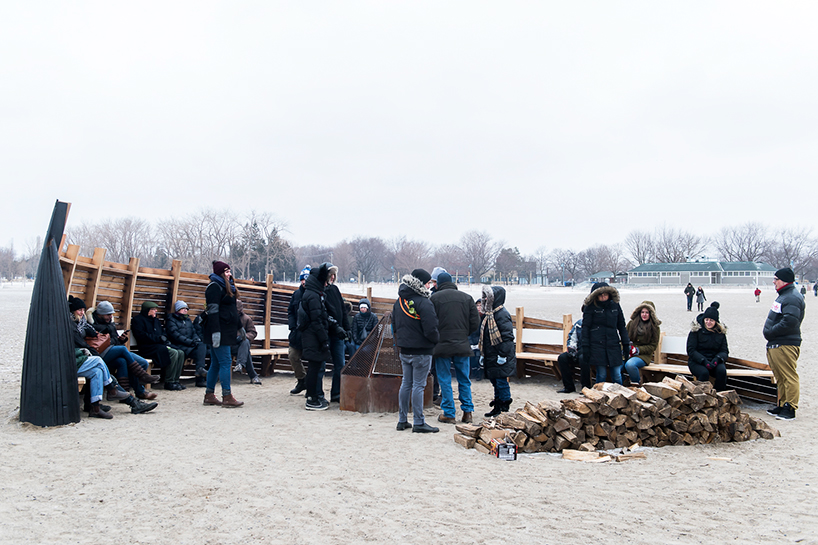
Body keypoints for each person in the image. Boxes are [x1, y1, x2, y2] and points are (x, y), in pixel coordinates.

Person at [69, 296, 158, 416]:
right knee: (106, 360)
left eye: (83, 310)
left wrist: (120, 339)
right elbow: (84, 342)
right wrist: (103, 334)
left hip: (94, 354)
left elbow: (99, 337)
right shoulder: (74, 325)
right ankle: (125, 394)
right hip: (86, 356)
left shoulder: (82, 323)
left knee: (119, 362)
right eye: (79, 310)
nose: (82, 313)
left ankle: (96, 406)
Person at [392, 268, 440, 433]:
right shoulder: (424, 302)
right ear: (421, 283)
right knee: (419, 385)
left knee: (406, 383)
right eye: (427, 283)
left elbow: (395, 325)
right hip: (422, 350)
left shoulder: (399, 301)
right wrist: (435, 341)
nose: (429, 286)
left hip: (404, 348)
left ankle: (402, 420)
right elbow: (431, 327)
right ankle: (419, 422)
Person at [430, 271, 479, 424]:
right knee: (464, 379)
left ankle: (449, 413)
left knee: (444, 379)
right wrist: (464, 334)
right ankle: (467, 412)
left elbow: (430, 322)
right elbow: (475, 322)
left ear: (439, 283)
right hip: (462, 344)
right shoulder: (467, 298)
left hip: (442, 345)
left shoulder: (434, 299)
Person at [91, 300, 159, 400]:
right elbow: (102, 343)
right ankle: (141, 384)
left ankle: (126, 394)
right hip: (100, 354)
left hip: (114, 352)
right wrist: (115, 340)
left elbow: (113, 341)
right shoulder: (92, 325)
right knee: (123, 350)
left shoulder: (110, 324)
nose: (110, 317)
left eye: (111, 315)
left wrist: (121, 339)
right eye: (108, 315)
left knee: (137, 362)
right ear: (100, 314)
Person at [298, 263, 342, 411]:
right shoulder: (313, 296)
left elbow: (323, 316)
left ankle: (315, 397)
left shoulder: (315, 294)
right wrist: (324, 340)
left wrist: (335, 326)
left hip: (313, 336)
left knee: (315, 368)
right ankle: (312, 398)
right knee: (314, 369)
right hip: (313, 338)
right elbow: (317, 320)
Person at [763, 267, 805, 421]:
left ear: (784, 280)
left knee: (789, 376)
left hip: (785, 343)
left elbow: (790, 321)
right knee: (780, 377)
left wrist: (772, 331)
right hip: (776, 342)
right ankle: (782, 403)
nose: (774, 282)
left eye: (776, 279)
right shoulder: (784, 296)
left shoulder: (792, 297)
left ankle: (790, 407)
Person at [202, 260, 244, 407]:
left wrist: (240, 327)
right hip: (220, 331)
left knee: (215, 363)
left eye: (229, 271)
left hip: (226, 330)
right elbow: (213, 312)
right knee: (225, 362)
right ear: (220, 273)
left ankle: (209, 395)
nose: (229, 274)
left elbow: (233, 311)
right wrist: (216, 333)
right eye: (226, 271)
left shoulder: (226, 287)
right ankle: (227, 396)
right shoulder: (214, 287)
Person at [580, 282, 629, 385]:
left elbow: (621, 326)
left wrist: (626, 344)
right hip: (597, 344)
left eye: (605, 294)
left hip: (613, 343)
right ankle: (599, 396)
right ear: (595, 296)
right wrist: (585, 346)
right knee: (601, 374)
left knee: (616, 374)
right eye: (600, 295)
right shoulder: (590, 307)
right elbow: (585, 327)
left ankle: (620, 395)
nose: (603, 297)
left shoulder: (615, 305)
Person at [131, 301, 185, 391]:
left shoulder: (155, 320)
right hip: (147, 347)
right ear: (147, 310)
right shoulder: (138, 320)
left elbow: (162, 333)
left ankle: (176, 380)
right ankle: (169, 381)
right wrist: (159, 338)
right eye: (153, 309)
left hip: (158, 346)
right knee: (173, 353)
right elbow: (141, 336)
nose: (156, 311)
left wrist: (164, 338)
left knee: (181, 352)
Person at [480, 285, 516, 418]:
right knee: (495, 380)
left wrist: (503, 354)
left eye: (487, 297)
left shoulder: (501, 314)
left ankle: (504, 403)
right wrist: (483, 353)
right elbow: (486, 337)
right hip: (491, 354)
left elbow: (507, 337)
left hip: (501, 354)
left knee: (501, 380)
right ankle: (497, 404)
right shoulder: (490, 315)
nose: (484, 299)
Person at [686, 302, 729, 392]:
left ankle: (720, 394)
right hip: (697, 361)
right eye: (707, 319)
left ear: (716, 322)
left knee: (721, 371)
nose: (708, 322)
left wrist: (717, 359)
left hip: (714, 361)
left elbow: (724, 351)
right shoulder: (696, 331)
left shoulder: (720, 333)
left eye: (711, 320)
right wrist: (703, 361)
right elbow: (691, 350)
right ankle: (701, 395)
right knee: (704, 373)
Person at [166, 300, 208, 387]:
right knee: (201, 351)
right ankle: (200, 378)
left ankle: (200, 371)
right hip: (179, 346)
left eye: (186, 308)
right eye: (183, 308)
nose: (185, 310)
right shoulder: (171, 319)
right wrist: (191, 342)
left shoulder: (188, 320)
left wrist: (196, 339)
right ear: (177, 309)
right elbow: (175, 335)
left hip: (189, 346)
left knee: (203, 347)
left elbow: (193, 332)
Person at [324, 265, 351, 403]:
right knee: (321, 364)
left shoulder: (335, 289)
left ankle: (336, 393)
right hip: (327, 333)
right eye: (331, 274)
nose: (333, 277)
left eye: (334, 275)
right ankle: (317, 394)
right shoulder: (321, 292)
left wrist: (347, 328)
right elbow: (325, 314)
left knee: (340, 364)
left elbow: (342, 309)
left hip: (338, 334)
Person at [623, 301, 662, 386]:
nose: (644, 314)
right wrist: (626, 349)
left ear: (651, 314)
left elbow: (653, 346)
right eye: (642, 312)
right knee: (616, 365)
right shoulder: (632, 324)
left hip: (643, 355)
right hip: (628, 352)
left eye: (647, 312)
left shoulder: (655, 327)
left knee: (630, 365)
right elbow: (624, 338)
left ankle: (636, 385)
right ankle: (623, 383)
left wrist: (637, 350)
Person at [287, 266, 310, 395]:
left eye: (306, 280)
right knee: (292, 355)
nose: (304, 282)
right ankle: (302, 380)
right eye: (302, 280)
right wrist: (292, 326)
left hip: (309, 333)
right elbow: (290, 311)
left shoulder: (315, 293)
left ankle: (311, 386)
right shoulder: (296, 294)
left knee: (312, 360)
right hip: (296, 332)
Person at [233, 299, 262, 385]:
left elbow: (253, 332)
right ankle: (253, 376)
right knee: (246, 352)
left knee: (245, 342)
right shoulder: (227, 318)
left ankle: (240, 365)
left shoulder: (246, 319)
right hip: (229, 344)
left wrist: (243, 336)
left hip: (240, 345)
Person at [556, 319, 587, 393]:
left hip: (590, 352)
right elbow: (572, 338)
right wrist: (572, 348)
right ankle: (568, 387)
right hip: (578, 350)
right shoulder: (579, 324)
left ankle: (585, 387)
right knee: (562, 358)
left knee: (583, 359)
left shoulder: (597, 323)